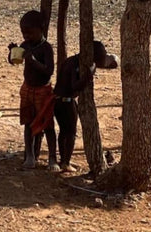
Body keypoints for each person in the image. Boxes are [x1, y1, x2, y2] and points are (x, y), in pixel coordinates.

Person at [8, 10, 59, 171]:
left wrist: (33, 61)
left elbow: (48, 70)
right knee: (28, 123)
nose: (26, 36)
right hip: (27, 89)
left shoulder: (46, 48)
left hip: (43, 90)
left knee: (47, 124)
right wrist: (12, 52)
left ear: (41, 29)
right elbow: (13, 62)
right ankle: (29, 155)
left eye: (30, 33)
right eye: (24, 33)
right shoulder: (25, 45)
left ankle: (52, 158)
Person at [53, 41, 107, 172]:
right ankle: (66, 162)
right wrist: (89, 75)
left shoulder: (70, 60)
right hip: (67, 101)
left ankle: (63, 159)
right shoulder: (76, 65)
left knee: (63, 131)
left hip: (57, 101)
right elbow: (75, 86)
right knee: (71, 133)